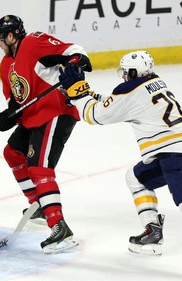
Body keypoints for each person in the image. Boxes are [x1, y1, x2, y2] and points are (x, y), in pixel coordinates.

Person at [58, 50, 182, 256]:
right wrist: (84, 95)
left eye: (125, 72)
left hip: (174, 155)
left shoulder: (130, 91)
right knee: (136, 178)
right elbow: (116, 103)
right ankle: (152, 231)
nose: (123, 75)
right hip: (171, 152)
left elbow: (95, 115)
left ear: (133, 72)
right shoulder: (155, 83)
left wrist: (77, 93)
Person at [0, 15, 92, 254]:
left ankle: (60, 228)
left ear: (11, 35)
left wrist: (76, 63)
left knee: (39, 168)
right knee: (13, 154)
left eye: (0, 38)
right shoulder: (6, 65)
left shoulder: (33, 42)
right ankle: (38, 204)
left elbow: (74, 50)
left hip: (55, 111)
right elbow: (16, 101)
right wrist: (8, 116)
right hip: (33, 117)